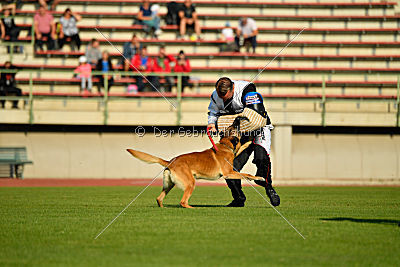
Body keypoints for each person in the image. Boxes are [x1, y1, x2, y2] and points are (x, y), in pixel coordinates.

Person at [207, 77, 280, 207]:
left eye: (225, 95)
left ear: (233, 88)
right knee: (229, 167)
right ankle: (238, 198)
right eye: (220, 95)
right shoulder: (215, 95)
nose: (222, 98)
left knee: (261, 158)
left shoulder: (247, 90)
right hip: (239, 134)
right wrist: (212, 124)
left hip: (258, 128)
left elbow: (256, 116)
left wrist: (230, 121)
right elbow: (213, 112)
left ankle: (269, 188)